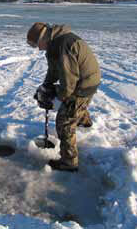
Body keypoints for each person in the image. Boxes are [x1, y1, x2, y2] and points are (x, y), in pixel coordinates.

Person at [27, 22, 101, 172]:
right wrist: (47, 85)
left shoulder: (63, 46)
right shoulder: (56, 43)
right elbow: (54, 70)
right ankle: (84, 122)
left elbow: (69, 82)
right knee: (75, 107)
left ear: (43, 38)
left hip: (83, 85)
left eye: (37, 45)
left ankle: (69, 162)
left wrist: (58, 99)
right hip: (86, 81)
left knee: (64, 122)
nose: (39, 49)